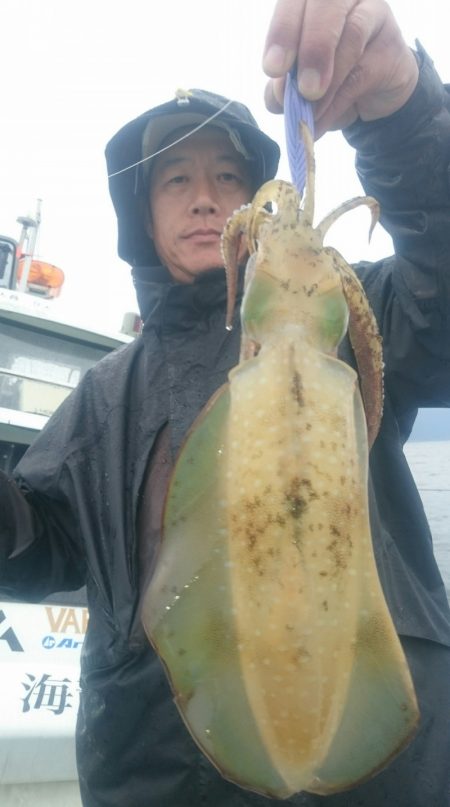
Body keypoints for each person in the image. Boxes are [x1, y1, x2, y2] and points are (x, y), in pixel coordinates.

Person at [1, 1, 450, 804]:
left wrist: (402, 118)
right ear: (142, 216)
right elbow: (40, 542)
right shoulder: (104, 397)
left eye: (227, 177)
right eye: (177, 179)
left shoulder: (356, 318)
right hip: (152, 776)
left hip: (378, 777)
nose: (205, 199)